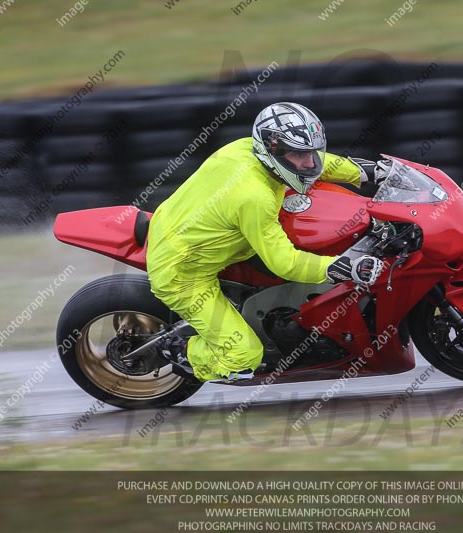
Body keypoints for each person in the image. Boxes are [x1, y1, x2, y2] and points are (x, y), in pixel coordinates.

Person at [146, 102, 385, 383]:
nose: (310, 164)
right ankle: (174, 349)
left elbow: (316, 162)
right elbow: (285, 263)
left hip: (182, 222)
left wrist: (366, 172)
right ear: (273, 150)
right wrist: (342, 268)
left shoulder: (246, 147)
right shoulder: (254, 197)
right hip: (183, 272)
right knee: (242, 357)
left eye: (312, 153)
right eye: (300, 154)